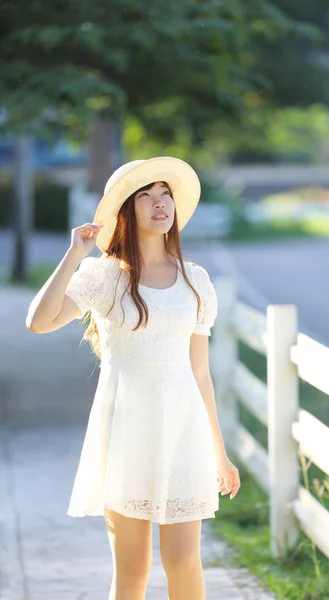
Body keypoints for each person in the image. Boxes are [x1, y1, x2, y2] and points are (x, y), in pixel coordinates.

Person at [26, 156, 241, 600]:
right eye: (146, 195)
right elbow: (39, 322)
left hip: (183, 433)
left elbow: (201, 374)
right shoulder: (104, 277)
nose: (160, 203)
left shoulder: (195, 281)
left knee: (184, 563)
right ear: (126, 209)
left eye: (166, 195)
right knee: (133, 570)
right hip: (125, 432)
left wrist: (219, 454)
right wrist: (73, 255)